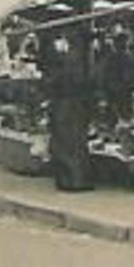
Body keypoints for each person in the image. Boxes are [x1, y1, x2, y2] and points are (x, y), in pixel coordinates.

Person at [46, 29, 95, 192]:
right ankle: (75, 180)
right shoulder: (78, 59)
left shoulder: (72, 59)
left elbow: (59, 80)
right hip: (72, 105)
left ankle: (69, 180)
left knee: (67, 143)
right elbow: (80, 81)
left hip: (67, 105)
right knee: (73, 144)